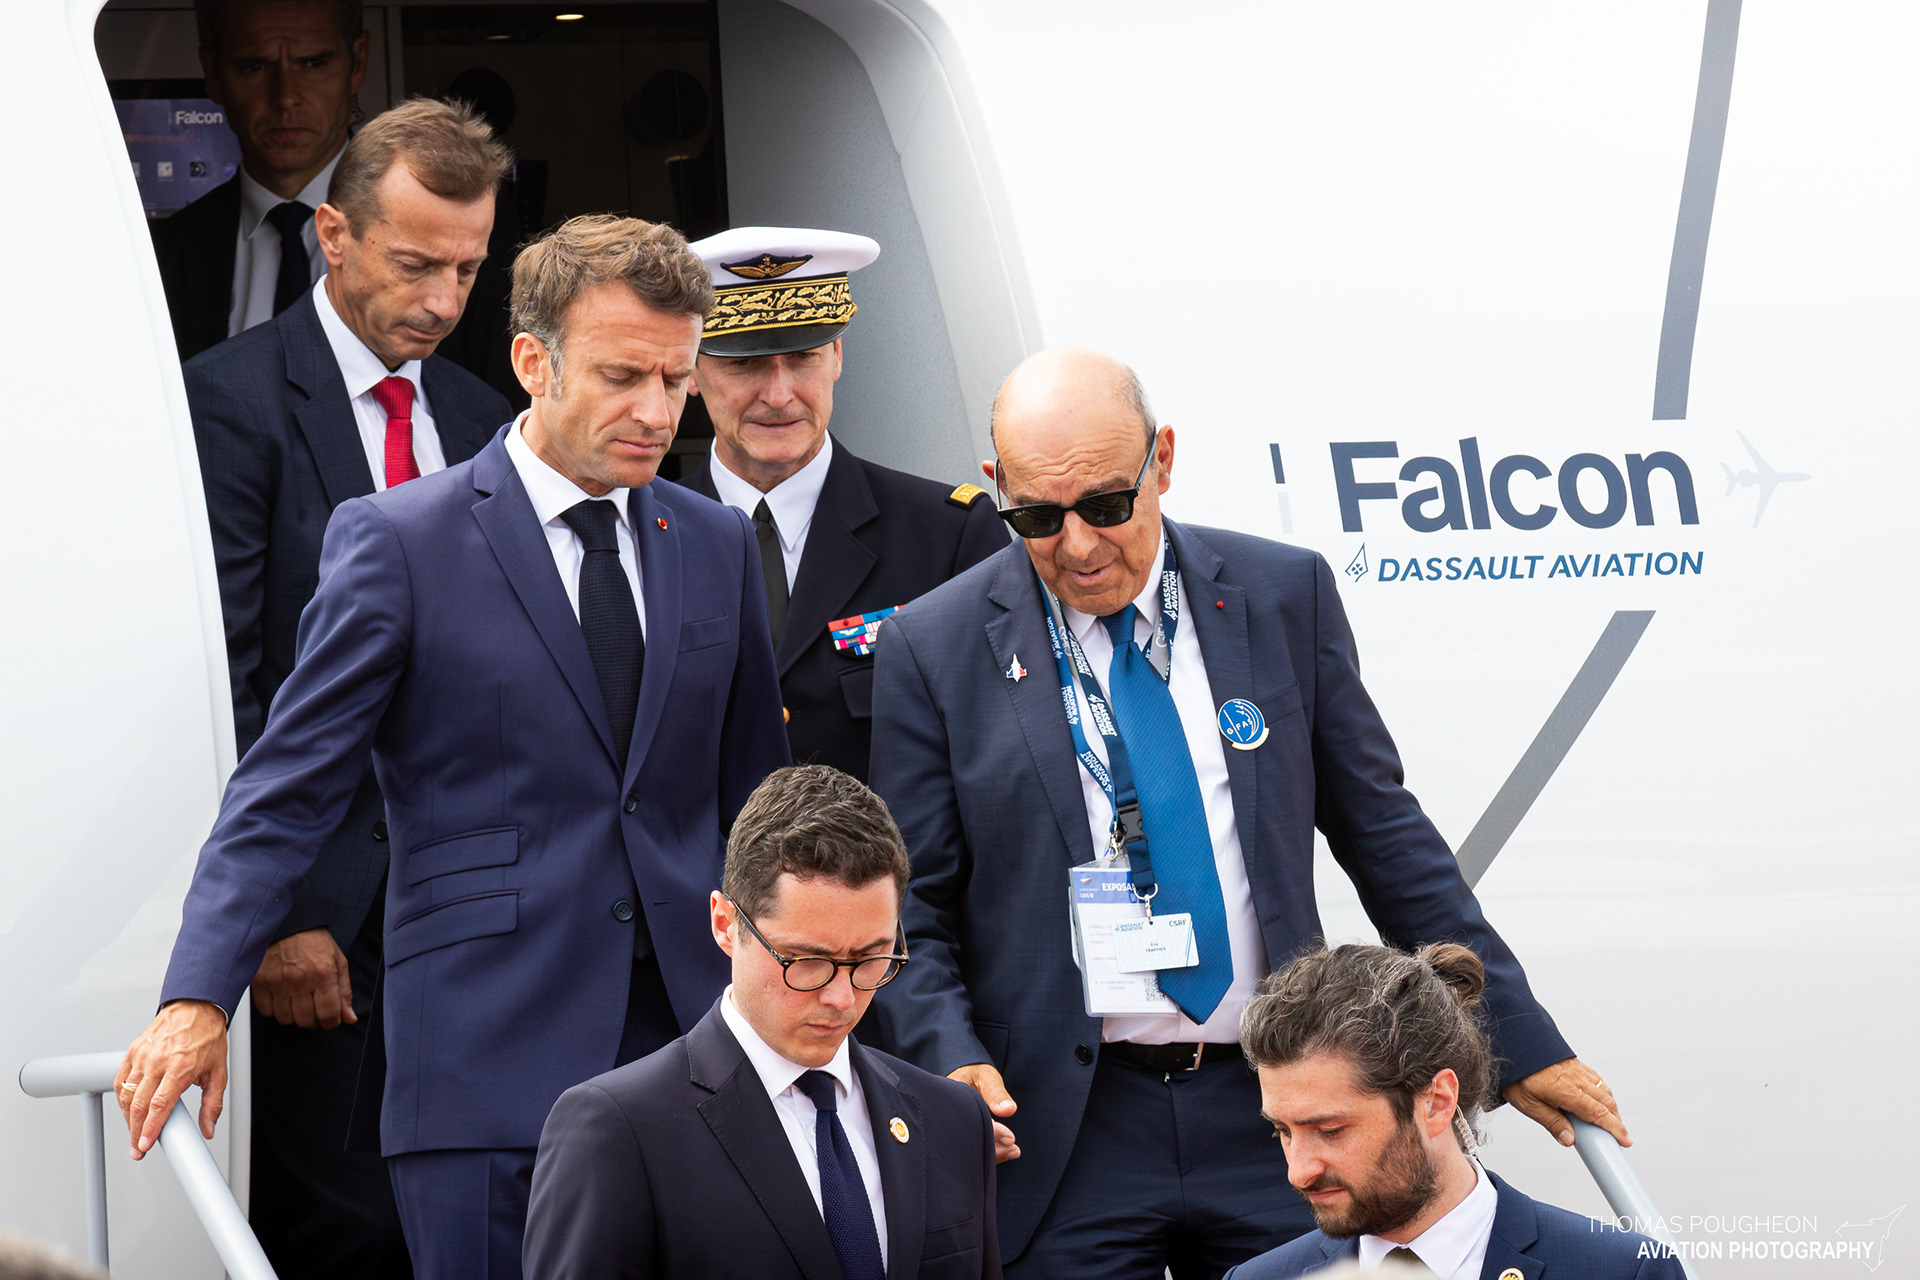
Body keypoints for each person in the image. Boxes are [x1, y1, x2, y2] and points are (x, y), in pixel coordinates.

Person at [114, 213, 791, 1280]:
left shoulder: (712, 542)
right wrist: (197, 997)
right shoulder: (399, 540)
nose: (657, 412)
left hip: (698, 1053)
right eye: (623, 376)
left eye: (676, 379)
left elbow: (759, 801)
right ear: (532, 362)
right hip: (483, 1067)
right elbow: (285, 789)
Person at [865, 347, 1628, 1278]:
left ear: (1163, 460)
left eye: (1106, 505)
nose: (1079, 545)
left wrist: (1516, 1039)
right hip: (1063, 1127)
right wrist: (949, 1060)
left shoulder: (1281, 596)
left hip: (1278, 1107)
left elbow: (1384, 833)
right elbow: (908, 908)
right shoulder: (932, 646)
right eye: (1037, 516)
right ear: (997, 487)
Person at [182, 96, 513, 1279]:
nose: (443, 299)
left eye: (467, 269)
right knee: (353, 1232)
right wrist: (281, 914)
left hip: (479, 914)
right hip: (324, 922)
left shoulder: (483, 416)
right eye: (416, 263)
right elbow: (224, 680)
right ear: (333, 234)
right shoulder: (230, 401)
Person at [524, 765, 1001, 1279]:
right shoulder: (616, 1131)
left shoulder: (955, 1121)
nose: (842, 998)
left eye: (871, 959)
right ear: (725, 925)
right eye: (807, 961)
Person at [676, 227, 1006, 782]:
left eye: (802, 356)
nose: (778, 395)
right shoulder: (639, 533)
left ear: (836, 356)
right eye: (744, 363)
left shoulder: (947, 536)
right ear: (689, 370)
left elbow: (995, 754)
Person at [1226, 943, 1683, 1279]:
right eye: (1283, 1131)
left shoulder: (1621, 1271)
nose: (1299, 1173)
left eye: (1330, 1130)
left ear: (1437, 1103)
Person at [153, 0, 369, 362]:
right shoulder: (157, 260)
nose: (285, 97)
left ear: (358, 63)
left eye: (314, 63)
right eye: (254, 66)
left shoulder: (446, 242)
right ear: (213, 73)